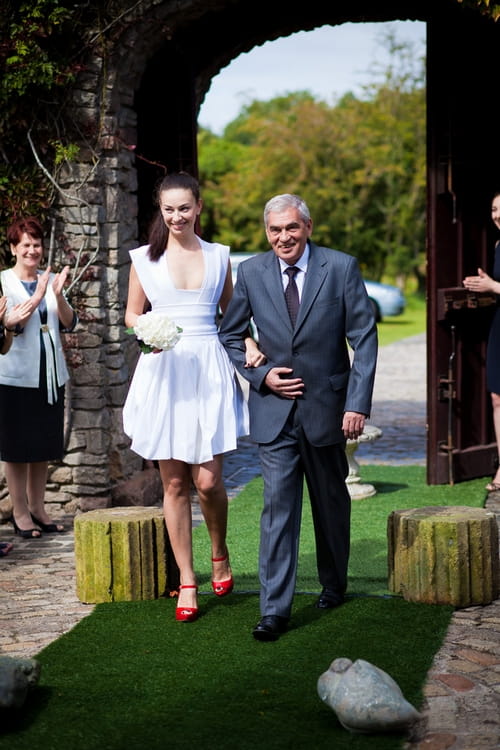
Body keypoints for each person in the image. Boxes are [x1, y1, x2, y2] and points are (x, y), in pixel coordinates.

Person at [220, 193, 378, 641]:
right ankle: (274, 610)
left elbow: (364, 339)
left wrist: (356, 402)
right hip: (274, 413)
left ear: (307, 226)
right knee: (277, 508)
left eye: (291, 227)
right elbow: (230, 334)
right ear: (266, 232)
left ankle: (334, 584)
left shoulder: (340, 267)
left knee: (330, 503)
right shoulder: (250, 272)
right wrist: (263, 375)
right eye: (275, 230)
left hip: (328, 409)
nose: (283, 237)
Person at [123, 172, 265, 623]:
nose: (177, 216)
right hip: (164, 370)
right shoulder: (143, 259)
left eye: (184, 208)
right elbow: (131, 314)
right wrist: (148, 330)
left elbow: (233, 314)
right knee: (174, 483)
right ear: (160, 211)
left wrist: (250, 341)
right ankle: (188, 578)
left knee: (207, 480)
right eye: (169, 209)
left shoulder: (220, 257)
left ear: (199, 207)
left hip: (207, 369)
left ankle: (219, 550)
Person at [0, 217, 77, 538]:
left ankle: (39, 508)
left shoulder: (53, 279)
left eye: (36, 244)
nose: (32, 250)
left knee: (43, 446)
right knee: (17, 449)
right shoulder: (3, 282)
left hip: (50, 374)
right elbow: (10, 325)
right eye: (25, 245)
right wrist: (35, 298)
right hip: (15, 376)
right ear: (13, 249)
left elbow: (69, 322)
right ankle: (19, 512)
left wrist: (56, 295)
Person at [463, 191, 500, 491]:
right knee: (498, 398)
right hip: (499, 327)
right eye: (493, 209)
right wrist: (484, 286)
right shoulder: (499, 245)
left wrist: (492, 285)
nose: (497, 215)